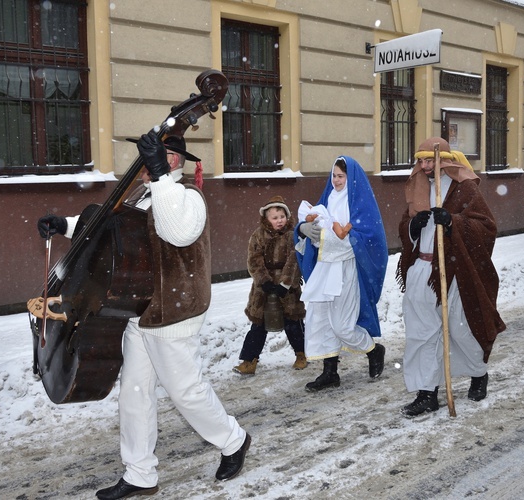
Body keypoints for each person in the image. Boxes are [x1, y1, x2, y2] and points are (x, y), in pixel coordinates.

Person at [37, 131, 250, 500]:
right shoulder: (139, 194)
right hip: (136, 309)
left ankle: (235, 440)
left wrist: (161, 177)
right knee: (135, 394)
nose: (144, 164)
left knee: (187, 392)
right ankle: (139, 474)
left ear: (172, 161)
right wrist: (65, 224)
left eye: (155, 156)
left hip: (173, 312)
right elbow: (106, 230)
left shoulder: (188, 197)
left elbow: (178, 231)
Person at [396, 137, 506, 418]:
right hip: (421, 269)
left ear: (444, 160)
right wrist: (413, 226)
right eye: (421, 161)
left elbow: (486, 227)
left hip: (453, 271)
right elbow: (403, 225)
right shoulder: (419, 187)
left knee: (458, 329)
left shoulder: (464, 188)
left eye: (429, 160)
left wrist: (454, 221)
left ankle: (478, 373)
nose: (424, 165)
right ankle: (426, 393)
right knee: (421, 333)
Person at [294, 156, 387, 391]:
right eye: (333, 175)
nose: (335, 181)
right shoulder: (327, 198)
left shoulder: (360, 203)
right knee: (322, 318)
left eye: (341, 176)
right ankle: (330, 372)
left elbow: (370, 237)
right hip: (326, 267)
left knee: (342, 325)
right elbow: (313, 220)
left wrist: (328, 238)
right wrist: (303, 229)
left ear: (351, 178)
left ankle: (373, 349)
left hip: (347, 268)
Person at [233, 195, 307, 375]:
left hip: (287, 288)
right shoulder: (258, 235)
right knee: (258, 325)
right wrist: (264, 281)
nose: (279, 220)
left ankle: (302, 354)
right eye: (275, 217)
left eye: (282, 216)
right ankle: (249, 360)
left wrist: (286, 283)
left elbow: (294, 259)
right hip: (263, 289)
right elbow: (254, 260)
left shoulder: (293, 235)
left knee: (293, 322)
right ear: (266, 219)